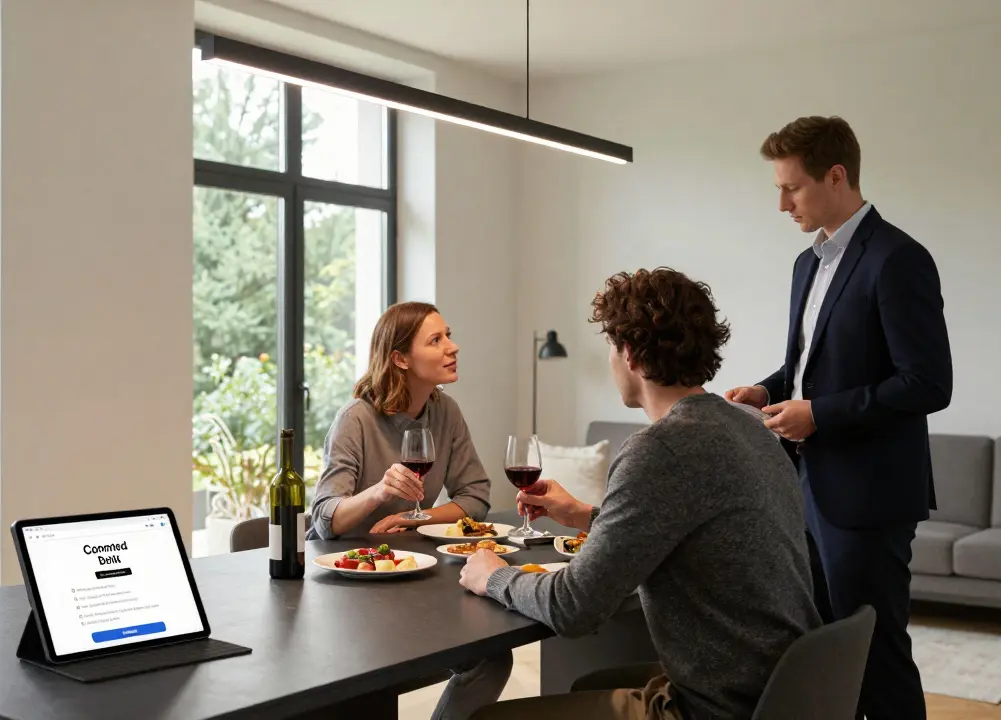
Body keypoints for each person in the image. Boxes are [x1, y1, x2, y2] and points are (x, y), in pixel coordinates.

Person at [460, 268, 821, 720]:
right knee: (589, 684)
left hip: (716, 705)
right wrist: (585, 514)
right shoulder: (749, 427)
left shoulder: (661, 448)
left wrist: (492, 575)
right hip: (778, 689)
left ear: (628, 353)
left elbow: (573, 607)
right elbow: (696, 529)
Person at [727, 115, 953, 720]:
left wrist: (819, 415)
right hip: (805, 488)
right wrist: (766, 388)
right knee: (822, 651)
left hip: (869, 496)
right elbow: (808, 365)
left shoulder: (899, 258)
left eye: (791, 188)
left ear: (835, 175)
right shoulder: (808, 264)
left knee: (876, 656)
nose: (781, 204)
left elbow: (928, 384)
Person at [308, 300, 506, 720]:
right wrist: (379, 492)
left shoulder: (445, 412)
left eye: (448, 335)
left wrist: (414, 517)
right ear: (400, 358)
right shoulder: (355, 420)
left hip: (414, 573)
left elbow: (476, 496)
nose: (453, 347)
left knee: (491, 657)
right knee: (370, 678)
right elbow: (325, 518)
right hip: (347, 586)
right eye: (436, 340)